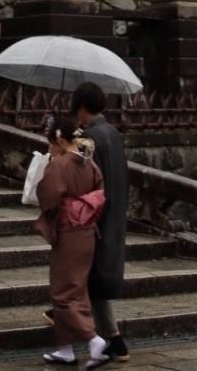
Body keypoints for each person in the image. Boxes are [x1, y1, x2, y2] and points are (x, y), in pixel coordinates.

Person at [36, 114, 109, 369]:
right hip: (87, 231)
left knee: (62, 292)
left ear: (58, 137)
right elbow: (99, 192)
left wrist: (48, 170)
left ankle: (93, 339)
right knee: (77, 289)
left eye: (51, 139)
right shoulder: (89, 163)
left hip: (68, 232)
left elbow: (49, 196)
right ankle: (65, 349)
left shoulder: (60, 164)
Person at [71, 82, 130, 365]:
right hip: (114, 212)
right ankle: (113, 339)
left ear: (81, 107)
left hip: (94, 217)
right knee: (94, 281)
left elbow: (84, 181)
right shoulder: (113, 134)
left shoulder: (90, 138)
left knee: (87, 278)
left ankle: (105, 340)